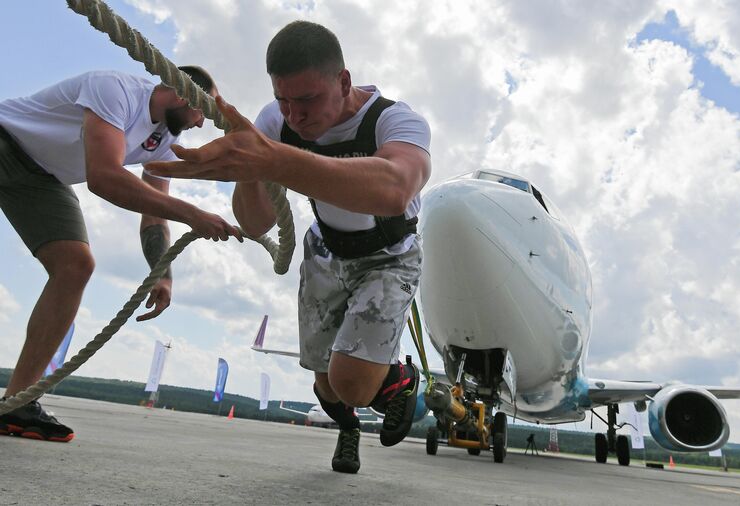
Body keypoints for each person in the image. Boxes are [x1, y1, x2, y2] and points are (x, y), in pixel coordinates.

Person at [146, 21, 431, 474]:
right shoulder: (275, 121)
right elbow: (256, 220)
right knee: (325, 386)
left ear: (343, 81)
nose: (294, 116)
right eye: (283, 100)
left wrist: (274, 158)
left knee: (352, 384)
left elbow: (395, 188)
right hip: (326, 252)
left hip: (388, 256)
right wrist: (250, 171)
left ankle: (399, 379)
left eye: (307, 100)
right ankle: (348, 430)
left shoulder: (395, 121)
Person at [0, 66, 242, 442]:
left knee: (75, 266)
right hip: (5, 139)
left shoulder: (165, 140)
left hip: (43, 179)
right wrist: (194, 214)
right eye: (202, 114)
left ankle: (16, 404)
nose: (200, 125)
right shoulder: (115, 89)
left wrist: (163, 273)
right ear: (182, 95)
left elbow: (156, 212)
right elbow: (104, 176)